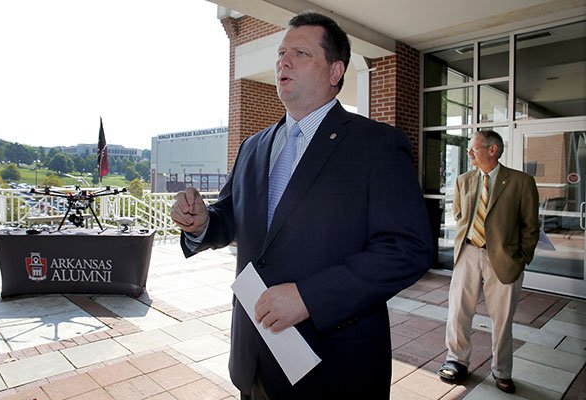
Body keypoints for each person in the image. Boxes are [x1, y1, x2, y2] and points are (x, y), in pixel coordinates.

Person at [171, 11, 432, 400]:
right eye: (280, 54)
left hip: (334, 367)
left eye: (300, 53)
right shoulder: (253, 146)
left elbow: (408, 250)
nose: (283, 62)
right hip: (254, 357)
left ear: (334, 71)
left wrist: (310, 297)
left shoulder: (375, 145)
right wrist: (201, 222)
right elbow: (228, 218)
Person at [438, 130, 540, 394]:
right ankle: (456, 360)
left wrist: (521, 258)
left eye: (474, 148)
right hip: (468, 253)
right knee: (458, 311)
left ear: (492, 150)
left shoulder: (521, 182)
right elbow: (460, 215)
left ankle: (502, 370)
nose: (469, 152)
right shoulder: (464, 180)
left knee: (502, 318)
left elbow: (530, 227)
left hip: (505, 258)